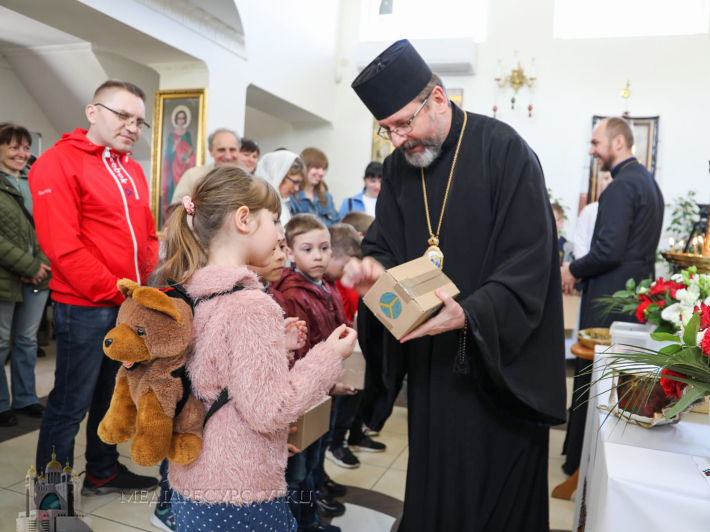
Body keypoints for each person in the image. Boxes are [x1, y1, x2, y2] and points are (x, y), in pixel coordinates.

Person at [343, 40, 567, 532]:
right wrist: (371, 268)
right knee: (437, 486)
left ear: (439, 99)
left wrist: (471, 312)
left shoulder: (503, 150)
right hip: (433, 364)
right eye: (387, 130)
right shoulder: (403, 169)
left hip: (499, 366)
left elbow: (530, 259)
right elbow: (385, 243)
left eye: (405, 123)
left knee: (495, 497)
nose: (399, 140)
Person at [156, 168, 356, 532]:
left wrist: (274, 344)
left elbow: (212, 376)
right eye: (276, 220)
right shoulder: (252, 305)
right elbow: (270, 409)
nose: (281, 233)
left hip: (190, 479)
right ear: (244, 220)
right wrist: (329, 356)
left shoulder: (189, 288)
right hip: (240, 490)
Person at [31, 80, 160, 497]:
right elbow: (62, 247)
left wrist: (149, 286)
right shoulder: (56, 163)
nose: (132, 126)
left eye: (138, 120)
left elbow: (147, 235)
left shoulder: (134, 168)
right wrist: (122, 292)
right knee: (69, 407)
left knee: (113, 399)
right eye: (123, 115)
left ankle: (102, 473)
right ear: (92, 112)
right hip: (85, 307)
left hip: (127, 307)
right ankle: (50, 504)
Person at [560, 117, 664, 476]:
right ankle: (588, 461)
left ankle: (579, 464)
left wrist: (571, 270)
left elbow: (608, 252)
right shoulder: (647, 182)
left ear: (618, 142)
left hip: (609, 299)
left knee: (595, 380)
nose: (591, 151)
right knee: (612, 385)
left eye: (595, 143)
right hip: (630, 301)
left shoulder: (621, 187)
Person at [273, 214, 356, 531]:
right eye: (308, 249)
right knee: (298, 471)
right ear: (291, 253)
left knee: (317, 456)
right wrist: (330, 382)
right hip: (308, 394)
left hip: (327, 391)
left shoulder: (327, 285)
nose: (319, 255)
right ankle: (301, 522)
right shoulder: (294, 293)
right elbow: (298, 353)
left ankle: (311, 514)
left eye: (325, 248)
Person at [0, 123, 51, 427]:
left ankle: (26, 398)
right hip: (6, 276)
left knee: (26, 340)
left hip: (40, 275)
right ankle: (1, 404)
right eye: (13, 147)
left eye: (26, 147)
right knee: (1, 342)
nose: (22, 153)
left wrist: (42, 264)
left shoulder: (39, 179)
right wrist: (28, 266)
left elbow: (50, 222)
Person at [325, 223, 386, 471]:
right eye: (344, 265)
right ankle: (336, 443)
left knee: (358, 392)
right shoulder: (332, 284)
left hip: (354, 343)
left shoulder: (344, 280)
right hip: (336, 349)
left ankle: (355, 434)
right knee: (345, 398)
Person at [169, 128, 240, 205]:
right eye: (221, 150)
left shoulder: (248, 181)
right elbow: (175, 210)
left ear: (239, 150)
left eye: (232, 149)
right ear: (211, 151)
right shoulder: (192, 176)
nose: (228, 156)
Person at [291, 148, 341, 227]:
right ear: (304, 167)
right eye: (317, 168)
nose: (321, 173)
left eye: (323, 169)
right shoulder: (291, 198)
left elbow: (337, 226)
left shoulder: (327, 198)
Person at [254, 150, 306, 226]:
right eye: (295, 182)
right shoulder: (259, 205)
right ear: (279, 176)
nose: (297, 188)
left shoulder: (283, 204)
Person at [162, 107, 195, 223]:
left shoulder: (187, 135)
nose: (181, 121)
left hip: (185, 169)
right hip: (173, 169)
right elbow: (168, 155)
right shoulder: (171, 135)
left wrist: (188, 159)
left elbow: (191, 153)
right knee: (173, 195)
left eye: (183, 118)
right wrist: (175, 147)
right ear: (175, 120)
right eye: (179, 118)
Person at [574, 171, 613, 260]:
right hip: (587, 265)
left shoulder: (624, 210)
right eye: (606, 178)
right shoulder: (589, 210)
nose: (609, 182)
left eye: (613, 178)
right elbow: (580, 242)